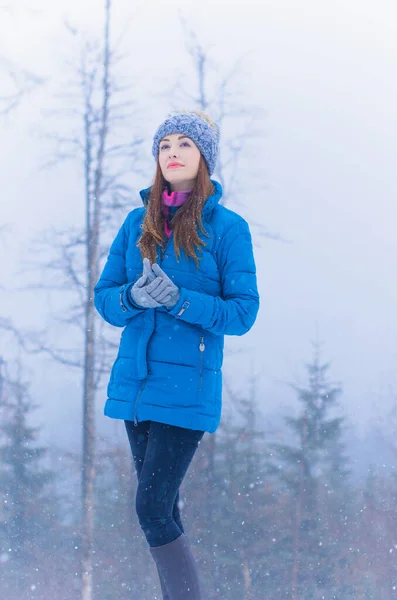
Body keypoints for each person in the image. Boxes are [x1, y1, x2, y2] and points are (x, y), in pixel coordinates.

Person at [94, 111, 260, 599]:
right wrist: (133, 298)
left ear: (203, 157)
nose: (173, 151)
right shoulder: (136, 222)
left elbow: (243, 313)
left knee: (151, 509)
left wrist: (179, 301)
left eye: (185, 143)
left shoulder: (228, 228)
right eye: (165, 143)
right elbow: (106, 296)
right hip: (136, 386)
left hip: (187, 390)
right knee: (164, 510)